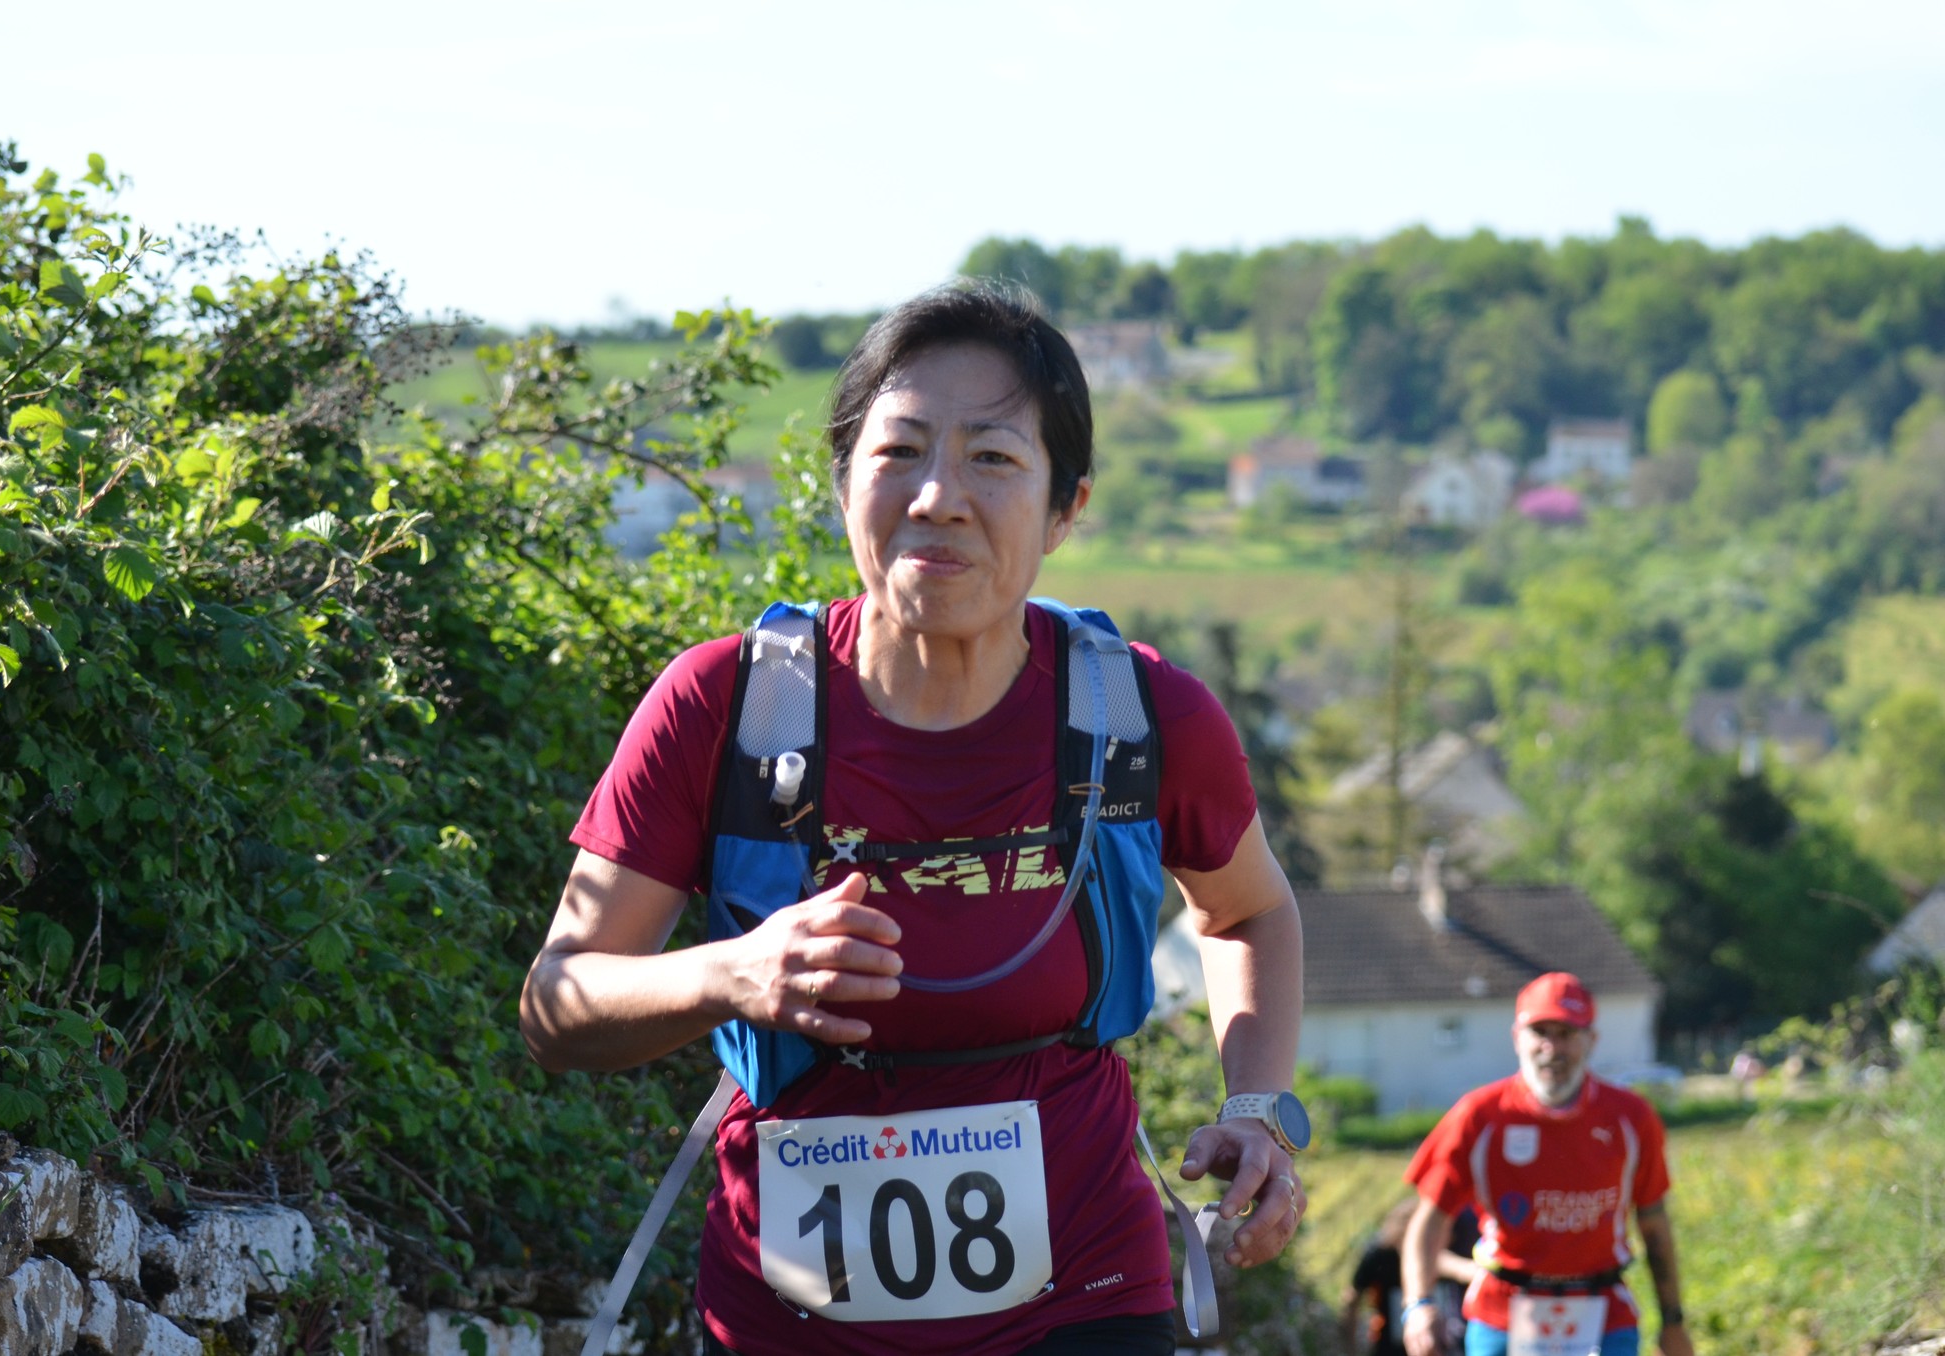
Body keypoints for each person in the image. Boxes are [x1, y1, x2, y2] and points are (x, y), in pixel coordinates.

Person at [519, 283, 1307, 1356]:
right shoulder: (722, 708)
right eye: (898, 452)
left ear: (1066, 506)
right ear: (841, 484)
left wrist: (1258, 1104)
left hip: (1084, 1297)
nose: (938, 496)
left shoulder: (1138, 714)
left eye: (991, 458)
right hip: (784, 1318)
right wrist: (733, 975)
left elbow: (1247, 913)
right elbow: (558, 1006)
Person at [1400, 973, 1694, 1356]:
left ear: (1591, 1041)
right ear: (1517, 1037)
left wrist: (1673, 1322)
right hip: (1502, 1312)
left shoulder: (1631, 1119)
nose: (1551, 1048)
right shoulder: (1479, 1116)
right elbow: (1430, 1219)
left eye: (1566, 1033)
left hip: (1605, 1314)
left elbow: (1653, 1222)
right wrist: (1418, 1306)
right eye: (1540, 1031)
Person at [1341, 1199, 1479, 1355]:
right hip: (1390, 1345)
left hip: (1442, 1343)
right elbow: (1353, 1296)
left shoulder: (1449, 1251)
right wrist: (1349, 1345)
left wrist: (1447, 1265)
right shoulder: (1379, 1255)